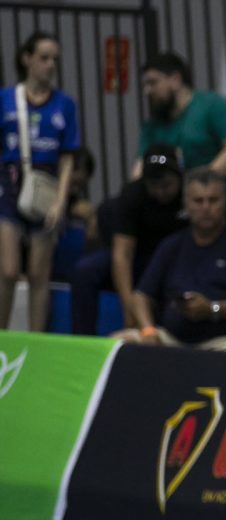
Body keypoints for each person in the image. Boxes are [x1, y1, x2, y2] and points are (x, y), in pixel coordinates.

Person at [116, 168, 226, 352]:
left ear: (225, 202)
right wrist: (148, 330)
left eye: (213, 200)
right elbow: (141, 296)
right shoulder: (172, 245)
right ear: (186, 204)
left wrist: (213, 309)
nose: (206, 207)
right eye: (198, 201)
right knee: (119, 344)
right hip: (173, 339)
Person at [1, 32, 80, 331]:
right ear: (27, 59)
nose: (50, 65)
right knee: (8, 271)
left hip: (46, 188)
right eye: (44, 58)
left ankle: (35, 343)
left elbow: (68, 156)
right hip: (9, 186)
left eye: (54, 60)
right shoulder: (6, 99)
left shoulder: (65, 105)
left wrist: (61, 201)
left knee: (39, 274)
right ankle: (2, 339)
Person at [69, 144, 186, 335]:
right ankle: (83, 339)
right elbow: (122, 255)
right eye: (154, 186)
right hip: (137, 259)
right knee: (85, 271)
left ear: (179, 177)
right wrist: (128, 307)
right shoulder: (132, 194)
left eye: (166, 185)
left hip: (174, 264)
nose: (161, 192)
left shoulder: (191, 195)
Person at [137, 53, 226, 222]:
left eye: (153, 82)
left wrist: (200, 183)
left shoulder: (212, 105)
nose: (147, 91)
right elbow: (143, 164)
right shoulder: (153, 125)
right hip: (179, 203)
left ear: (175, 79)